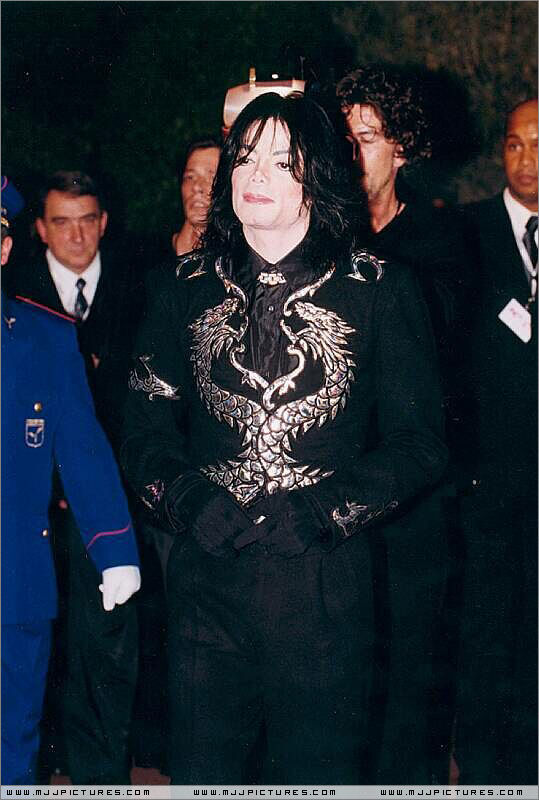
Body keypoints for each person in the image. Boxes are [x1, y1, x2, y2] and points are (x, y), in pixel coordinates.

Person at [120, 90, 447, 784]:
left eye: (279, 160)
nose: (254, 176)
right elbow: (142, 431)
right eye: (243, 158)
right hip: (207, 588)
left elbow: (420, 445)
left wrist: (322, 512)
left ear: (317, 173)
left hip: (324, 588)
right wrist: (188, 502)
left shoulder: (379, 289)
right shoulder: (180, 287)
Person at [336, 63, 469, 783]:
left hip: (411, 499)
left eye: (367, 138)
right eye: (344, 140)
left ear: (402, 149)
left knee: (411, 678)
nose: (353, 154)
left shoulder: (438, 241)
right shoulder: (319, 237)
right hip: (336, 489)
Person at [0, 177, 141, 786]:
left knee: (14, 734)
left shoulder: (47, 338)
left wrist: (114, 551)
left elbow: (84, 452)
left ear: (5, 248)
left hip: (14, 580)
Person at [455, 98, 538, 784]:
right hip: (487, 481)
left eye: (538, 145)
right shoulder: (466, 233)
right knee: (486, 629)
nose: (526, 159)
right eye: (513, 144)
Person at [171, 138, 221, 256]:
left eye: (212, 178)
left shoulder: (238, 259)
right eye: (190, 177)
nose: (197, 187)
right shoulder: (148, 252)